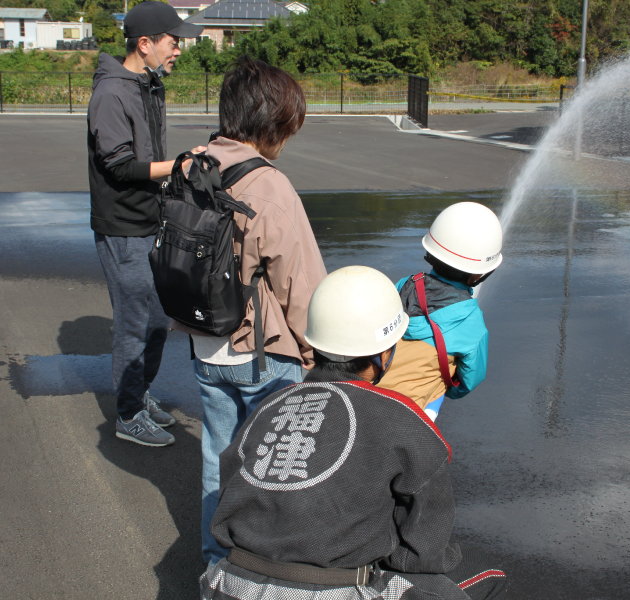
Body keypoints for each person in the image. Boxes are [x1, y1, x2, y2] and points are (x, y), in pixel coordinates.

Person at [200, 265, 507, 600]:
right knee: (481, 573)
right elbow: (422, 552)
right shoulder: (405, 422)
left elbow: (231, 487)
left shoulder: (270, 406)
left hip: (225, 585)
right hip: (330, 592)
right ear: (384, 355)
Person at [169, 56, 327, 567]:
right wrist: (313, 354)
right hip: (261, 353)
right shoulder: (269, 186)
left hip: (204, 341)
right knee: (276, 461)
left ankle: (218, 562)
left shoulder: (192, 165)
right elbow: (299, 284)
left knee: (220, 455)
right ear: (273, 124)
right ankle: (270, 566)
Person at [88, 1, 204, 447]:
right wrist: (177, 166)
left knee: (158, 319)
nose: (178, 50)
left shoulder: (147, 84)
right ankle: (128, 414)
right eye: (173, 42)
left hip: (148, 222)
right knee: (136, 323)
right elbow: (118, 166)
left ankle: (139, 394)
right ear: (145, 43)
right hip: (121, 227)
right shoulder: (112, 94)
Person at [379, 202, 503, 421]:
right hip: (409, 413)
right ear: (478, 275)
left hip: (367, 388)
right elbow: (468, 381)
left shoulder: (405, 284)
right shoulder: (473, 324)